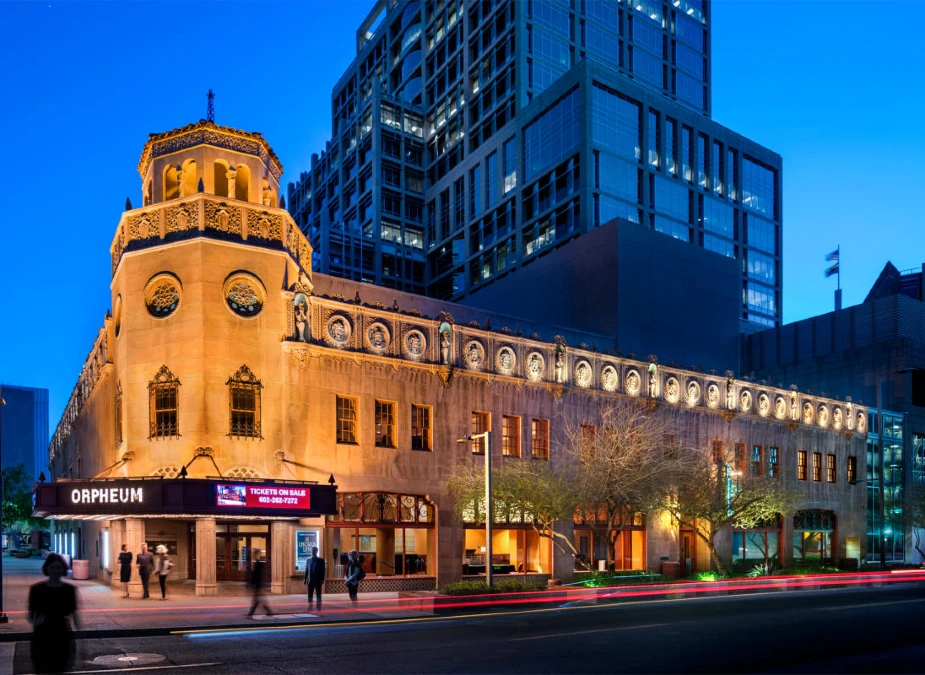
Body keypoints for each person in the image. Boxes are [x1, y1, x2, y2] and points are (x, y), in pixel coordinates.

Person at [28, 553, 79, 674]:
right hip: (42, 634)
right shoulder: (37, 589)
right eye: (52, 567)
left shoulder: (69, 589)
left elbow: (75, 614)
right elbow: (30, 614)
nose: (55, 571)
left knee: (60, 668)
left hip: (62, 634)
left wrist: (81, 639)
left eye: (58, 568)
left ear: (63, 569)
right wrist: (34, 621)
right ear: (47, 569)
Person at [247, 551, 273, 618]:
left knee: (256, 600)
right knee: (258, 600)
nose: (253, 555)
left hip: (258, 585)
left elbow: (257, 575)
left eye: (254, 554)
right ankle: (268, 611)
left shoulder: (258, 563)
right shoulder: (257, 563)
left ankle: (251, 614)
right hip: (259, 584)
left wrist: (254, 583)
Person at [303, 546, 326, 611]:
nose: (313, 552)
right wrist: (305, 579)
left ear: (317, 551)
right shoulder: (308, 560)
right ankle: (310, 606)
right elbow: (307, 570)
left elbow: (323, 571)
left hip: (318, 580)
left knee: (318, 594)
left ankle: (318, 607)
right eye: (312, 550)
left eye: (314, 551)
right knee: (310, 594)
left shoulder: (321, 560)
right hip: (310, 580)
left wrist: (322, 579)